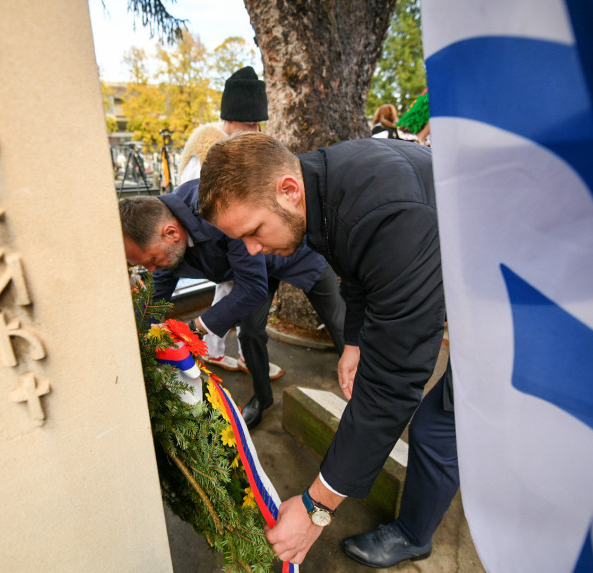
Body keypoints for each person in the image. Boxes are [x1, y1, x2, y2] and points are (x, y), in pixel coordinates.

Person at [198, 132, 455, 568]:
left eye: (255, 231)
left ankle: (414, 535)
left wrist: (317, 507)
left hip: (517, 299)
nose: (253, 250)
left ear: (288, 190)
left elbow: (393, 382)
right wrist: (353, 341)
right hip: (448, 260)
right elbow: (356, 273)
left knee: (437, 425)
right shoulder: (323, 181)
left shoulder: (387, 216)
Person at [119, 179, 346, 430]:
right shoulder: (159, 231)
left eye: (152, 260)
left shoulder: (220, 205)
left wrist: (194, 328)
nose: (151, 269)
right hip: (251, 271)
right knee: (249, 334)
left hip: (296, 254)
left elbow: (252, 288)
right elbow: (155, 299)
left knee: (338, 322)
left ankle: (362, 380)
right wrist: (137, 342)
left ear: (171, 233)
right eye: (144, 265)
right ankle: (262, 398)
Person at [177, 66, 284, 380]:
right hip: (216, 239)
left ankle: (225, 351)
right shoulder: (205, 156)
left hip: (238, 235)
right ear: (229, 120)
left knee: (234, 292)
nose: (254, 129)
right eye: (247, 123)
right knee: (232, 292)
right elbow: (194, 203)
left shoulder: (236, 148)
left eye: (257, 123)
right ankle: (221, 352)